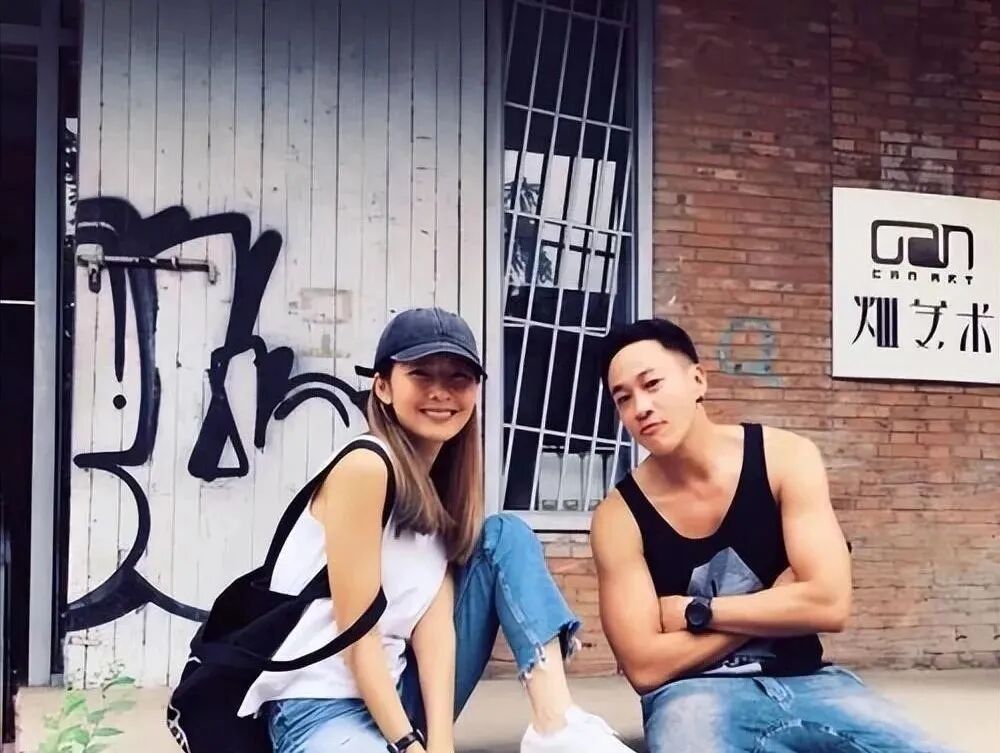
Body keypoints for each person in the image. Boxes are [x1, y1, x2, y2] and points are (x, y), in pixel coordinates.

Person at [239, 307, 634, 753]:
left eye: (459, 378)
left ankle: (555, 723)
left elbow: (436, 632)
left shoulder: (439, 489)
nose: (441, 392)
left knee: (505, 535)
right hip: (319, 707)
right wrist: (409, 744)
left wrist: (441, 743)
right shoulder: (366, 467)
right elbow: (357, 638)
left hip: (399, 695)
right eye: (421, 374)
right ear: (383, 386)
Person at [590, 317, 955, 753]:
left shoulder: (786, 458)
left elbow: (830, 603)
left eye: (652, 384)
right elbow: (645, 667)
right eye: (624, 398)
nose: (641, 407)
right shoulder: (618, 517)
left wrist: (695, 612)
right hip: (694, 696)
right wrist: (777, 603)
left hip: (814, 683)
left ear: (698, 380)